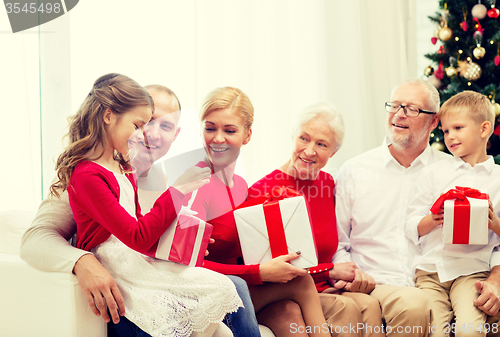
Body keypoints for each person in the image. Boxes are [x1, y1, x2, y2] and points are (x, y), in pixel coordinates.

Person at [21, 82, 262, 337]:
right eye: (145, 122)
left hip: (147, 273)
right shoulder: (89, 174)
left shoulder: (158, 178)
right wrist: (83, 261)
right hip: (121, 284)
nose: (152, 133)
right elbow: (34, 239)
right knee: (230, 288)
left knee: (234, 288)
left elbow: (144, 233)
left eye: (165, 125)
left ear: (176, 135)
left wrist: (182, 239)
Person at [334, 78, 500, 337]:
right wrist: (351, 275)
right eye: (394, 106)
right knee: (415, 306)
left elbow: (491, 240)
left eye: (411, 108)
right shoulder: (355, 170)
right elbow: (337, 243)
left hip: (446, 278)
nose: (399, 114)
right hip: (382, 283)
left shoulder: (454, 169)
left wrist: (495, 277)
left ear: (433, 121)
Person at [184, 87, 330, 337]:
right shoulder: (195, 184)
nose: (218, 138)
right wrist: (259, 273)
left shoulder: (240, 185)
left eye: (229, 130)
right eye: (210, 128)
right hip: (208, 293)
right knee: (302, 282)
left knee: (288, 313)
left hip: (238, 287)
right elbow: (189, 266)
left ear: (247, 135)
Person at [247, 103, 384, 337]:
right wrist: (329, 271)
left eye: (321, 144)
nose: (309, 151)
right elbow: (270, 270)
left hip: (325, 288)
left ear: (333, 152)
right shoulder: (262, 192)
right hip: (284, 292)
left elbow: (339, 244)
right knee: (346, 307)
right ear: (293, 137)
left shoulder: (329, 184)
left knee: (370, 305)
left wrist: (345, 274)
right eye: (304, 138)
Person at [405, 91, 500, 337]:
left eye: (458, 128)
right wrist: (431, 220)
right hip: (430, 271)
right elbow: (410, 223)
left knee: (470, 330)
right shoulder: (434, 173)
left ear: (484, 129)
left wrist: (493, 223)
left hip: (472, 271)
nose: (450, 137)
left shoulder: (498, 178)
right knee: (435, 331)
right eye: (446, 131)